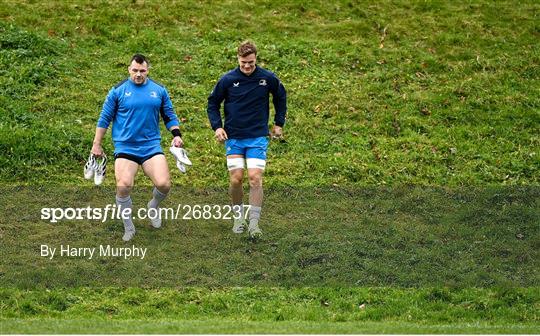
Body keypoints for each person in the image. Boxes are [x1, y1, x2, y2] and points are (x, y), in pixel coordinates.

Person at [91, 54, 184, 241]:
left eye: (142, 71)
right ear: (129, 70)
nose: (138, 74)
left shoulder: (159, 90)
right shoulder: (118, 91)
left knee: (164, 184)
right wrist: (96, 144)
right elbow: (104, 119)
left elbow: (169, 116)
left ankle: (153, 206)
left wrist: (176, 136)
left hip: (151, 146)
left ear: (147, 70)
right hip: (126, 147)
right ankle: (129, 227)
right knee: (124, 185)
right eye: (135, 70)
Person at [207, 41, 287, 238]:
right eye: (243, 63)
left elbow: (280, 97)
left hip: (257, 137)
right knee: (236, 179)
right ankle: (238, 218)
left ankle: (254, 224)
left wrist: (278, 123)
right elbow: (213, 103)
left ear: (256, 58)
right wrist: (217, 127)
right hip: (234, 137)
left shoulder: (267, 78)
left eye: (250, 62)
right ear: (238, 59)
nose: (247, 67)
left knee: (255, 178)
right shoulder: (228, 79)